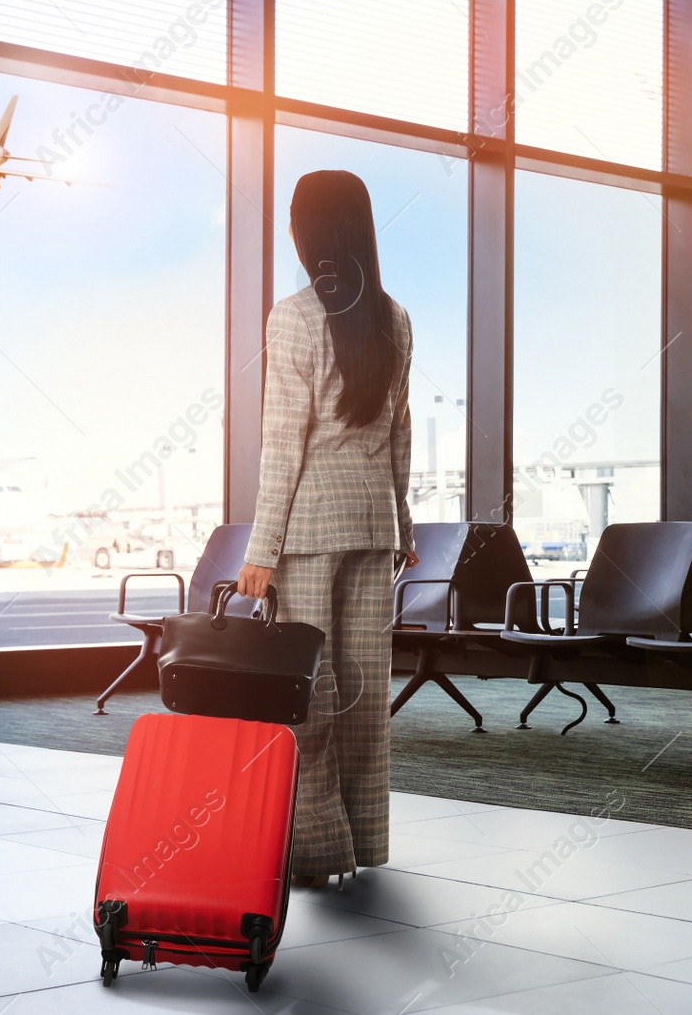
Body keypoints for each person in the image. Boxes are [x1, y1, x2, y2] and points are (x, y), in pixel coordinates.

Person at [236, 169, 417, 890]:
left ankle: (315, 848)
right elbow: (400, 433)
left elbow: (284, 441)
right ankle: (363, 839)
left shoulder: (294, 315)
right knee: (365, 692)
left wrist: (260, 550)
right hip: (373, 523)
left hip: (310, 525)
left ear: (308, 231)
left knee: (303, 691)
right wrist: (402, 519)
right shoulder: (395, 317)